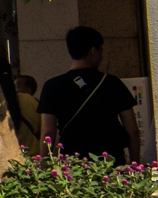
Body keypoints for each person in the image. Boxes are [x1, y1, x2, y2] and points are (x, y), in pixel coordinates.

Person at [38, 26, 141, 163]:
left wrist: (44, 166)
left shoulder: (52, 86)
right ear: (94, 51)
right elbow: (132, 130)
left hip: (73, 163)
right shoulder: (112, 83)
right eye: (101, 50)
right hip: (110, 160)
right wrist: (135, 163)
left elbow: (47, 132)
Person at [12, 74, 43, 157]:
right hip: (35, 153)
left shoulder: (19, 98)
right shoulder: (37, 104)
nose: (14, 90)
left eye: (16, 87)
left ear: (28, 90)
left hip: (16, 152)